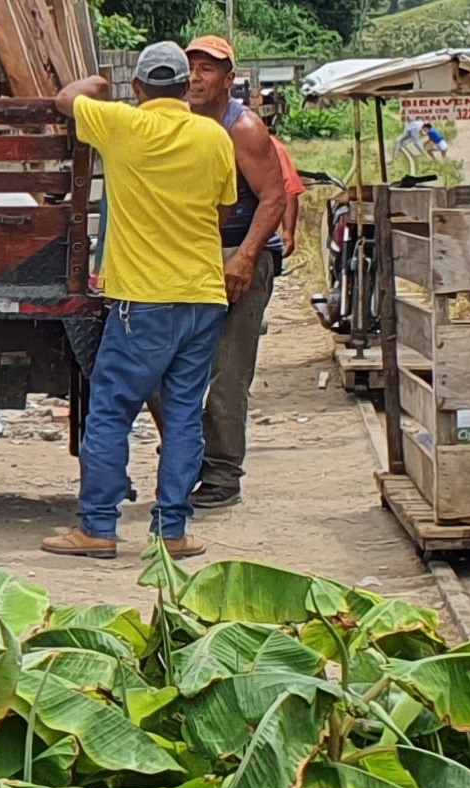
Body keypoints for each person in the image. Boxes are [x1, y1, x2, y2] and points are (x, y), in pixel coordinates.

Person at [43, 44, 234, 561]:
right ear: (183, 89)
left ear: (139, 88)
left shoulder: (120, 125)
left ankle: (98, 527)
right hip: (202, 296)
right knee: (183, 417)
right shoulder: (214, 136)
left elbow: (68, 97)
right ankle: (171, 532)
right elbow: (221, 210)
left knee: (109, 413)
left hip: (142, 301)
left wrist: (101, 87)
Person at [182, 35, 296, 512]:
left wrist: (246, 257)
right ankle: (188, 463)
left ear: (228, 80)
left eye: (207, 69)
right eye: (191, 67)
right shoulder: (180, 123)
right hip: (195, 257)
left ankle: (223, 475)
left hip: (240, 254)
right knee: (174, 369)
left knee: (228, 374)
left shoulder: (242, 127)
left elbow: (274, 196)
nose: (195, 77)